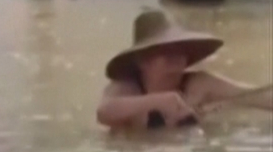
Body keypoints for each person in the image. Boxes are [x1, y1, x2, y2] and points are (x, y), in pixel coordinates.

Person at [96, 8, 273, 130]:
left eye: (180, 50)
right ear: (143, 60)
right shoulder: (127, 88)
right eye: (165, 51)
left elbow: (258, 96)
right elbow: (104, 112)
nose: (175, 57)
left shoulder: (200, 85)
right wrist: (160, 100)